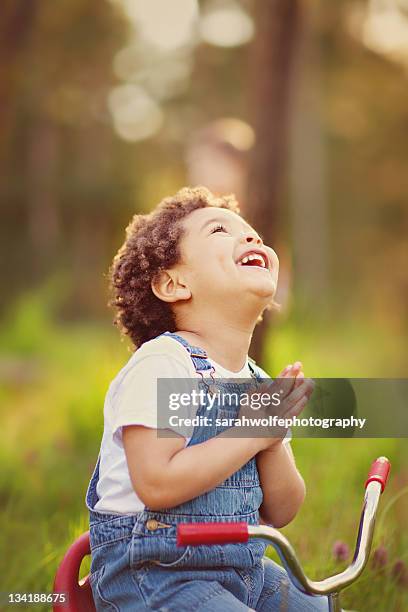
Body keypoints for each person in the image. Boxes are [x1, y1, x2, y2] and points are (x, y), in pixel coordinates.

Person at [85, 186, 328, 610]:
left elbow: (283, 509)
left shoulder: (257, 381)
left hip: (242, 571)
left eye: (253, 233)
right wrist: (251, 433)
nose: (252, 238)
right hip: (155, 577)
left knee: (319, 605)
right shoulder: (163, 363)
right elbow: (157, 483)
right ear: (173, 283)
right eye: (220, 230)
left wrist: (272, 435)